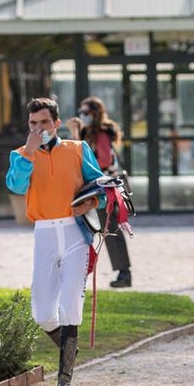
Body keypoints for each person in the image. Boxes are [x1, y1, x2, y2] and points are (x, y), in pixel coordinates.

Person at [6, 97, 104, 386]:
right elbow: (15, 186)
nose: (38, 128)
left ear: (56, 123)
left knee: (69, 305)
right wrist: (29, 154)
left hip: (75, 232)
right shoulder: (21, 154)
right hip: (44, 232)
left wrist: (91, 201)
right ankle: (69, 350)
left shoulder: (77, 149)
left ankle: (64, 380)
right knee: (43, 312)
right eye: (33, 124)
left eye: (44, 123)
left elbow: (100, 185)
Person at [68, 96, 134, 289]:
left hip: (103, 188)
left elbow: (102, 161)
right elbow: (74, 154)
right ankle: (81, 270)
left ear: (96, 113)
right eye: (81, 112)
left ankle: (124, 273)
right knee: (86, 229)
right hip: (91, 187)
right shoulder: (86, 132)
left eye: (86, 113)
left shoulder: (102, 133)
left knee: (110, 228)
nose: (83, 116)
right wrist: (75, 132)